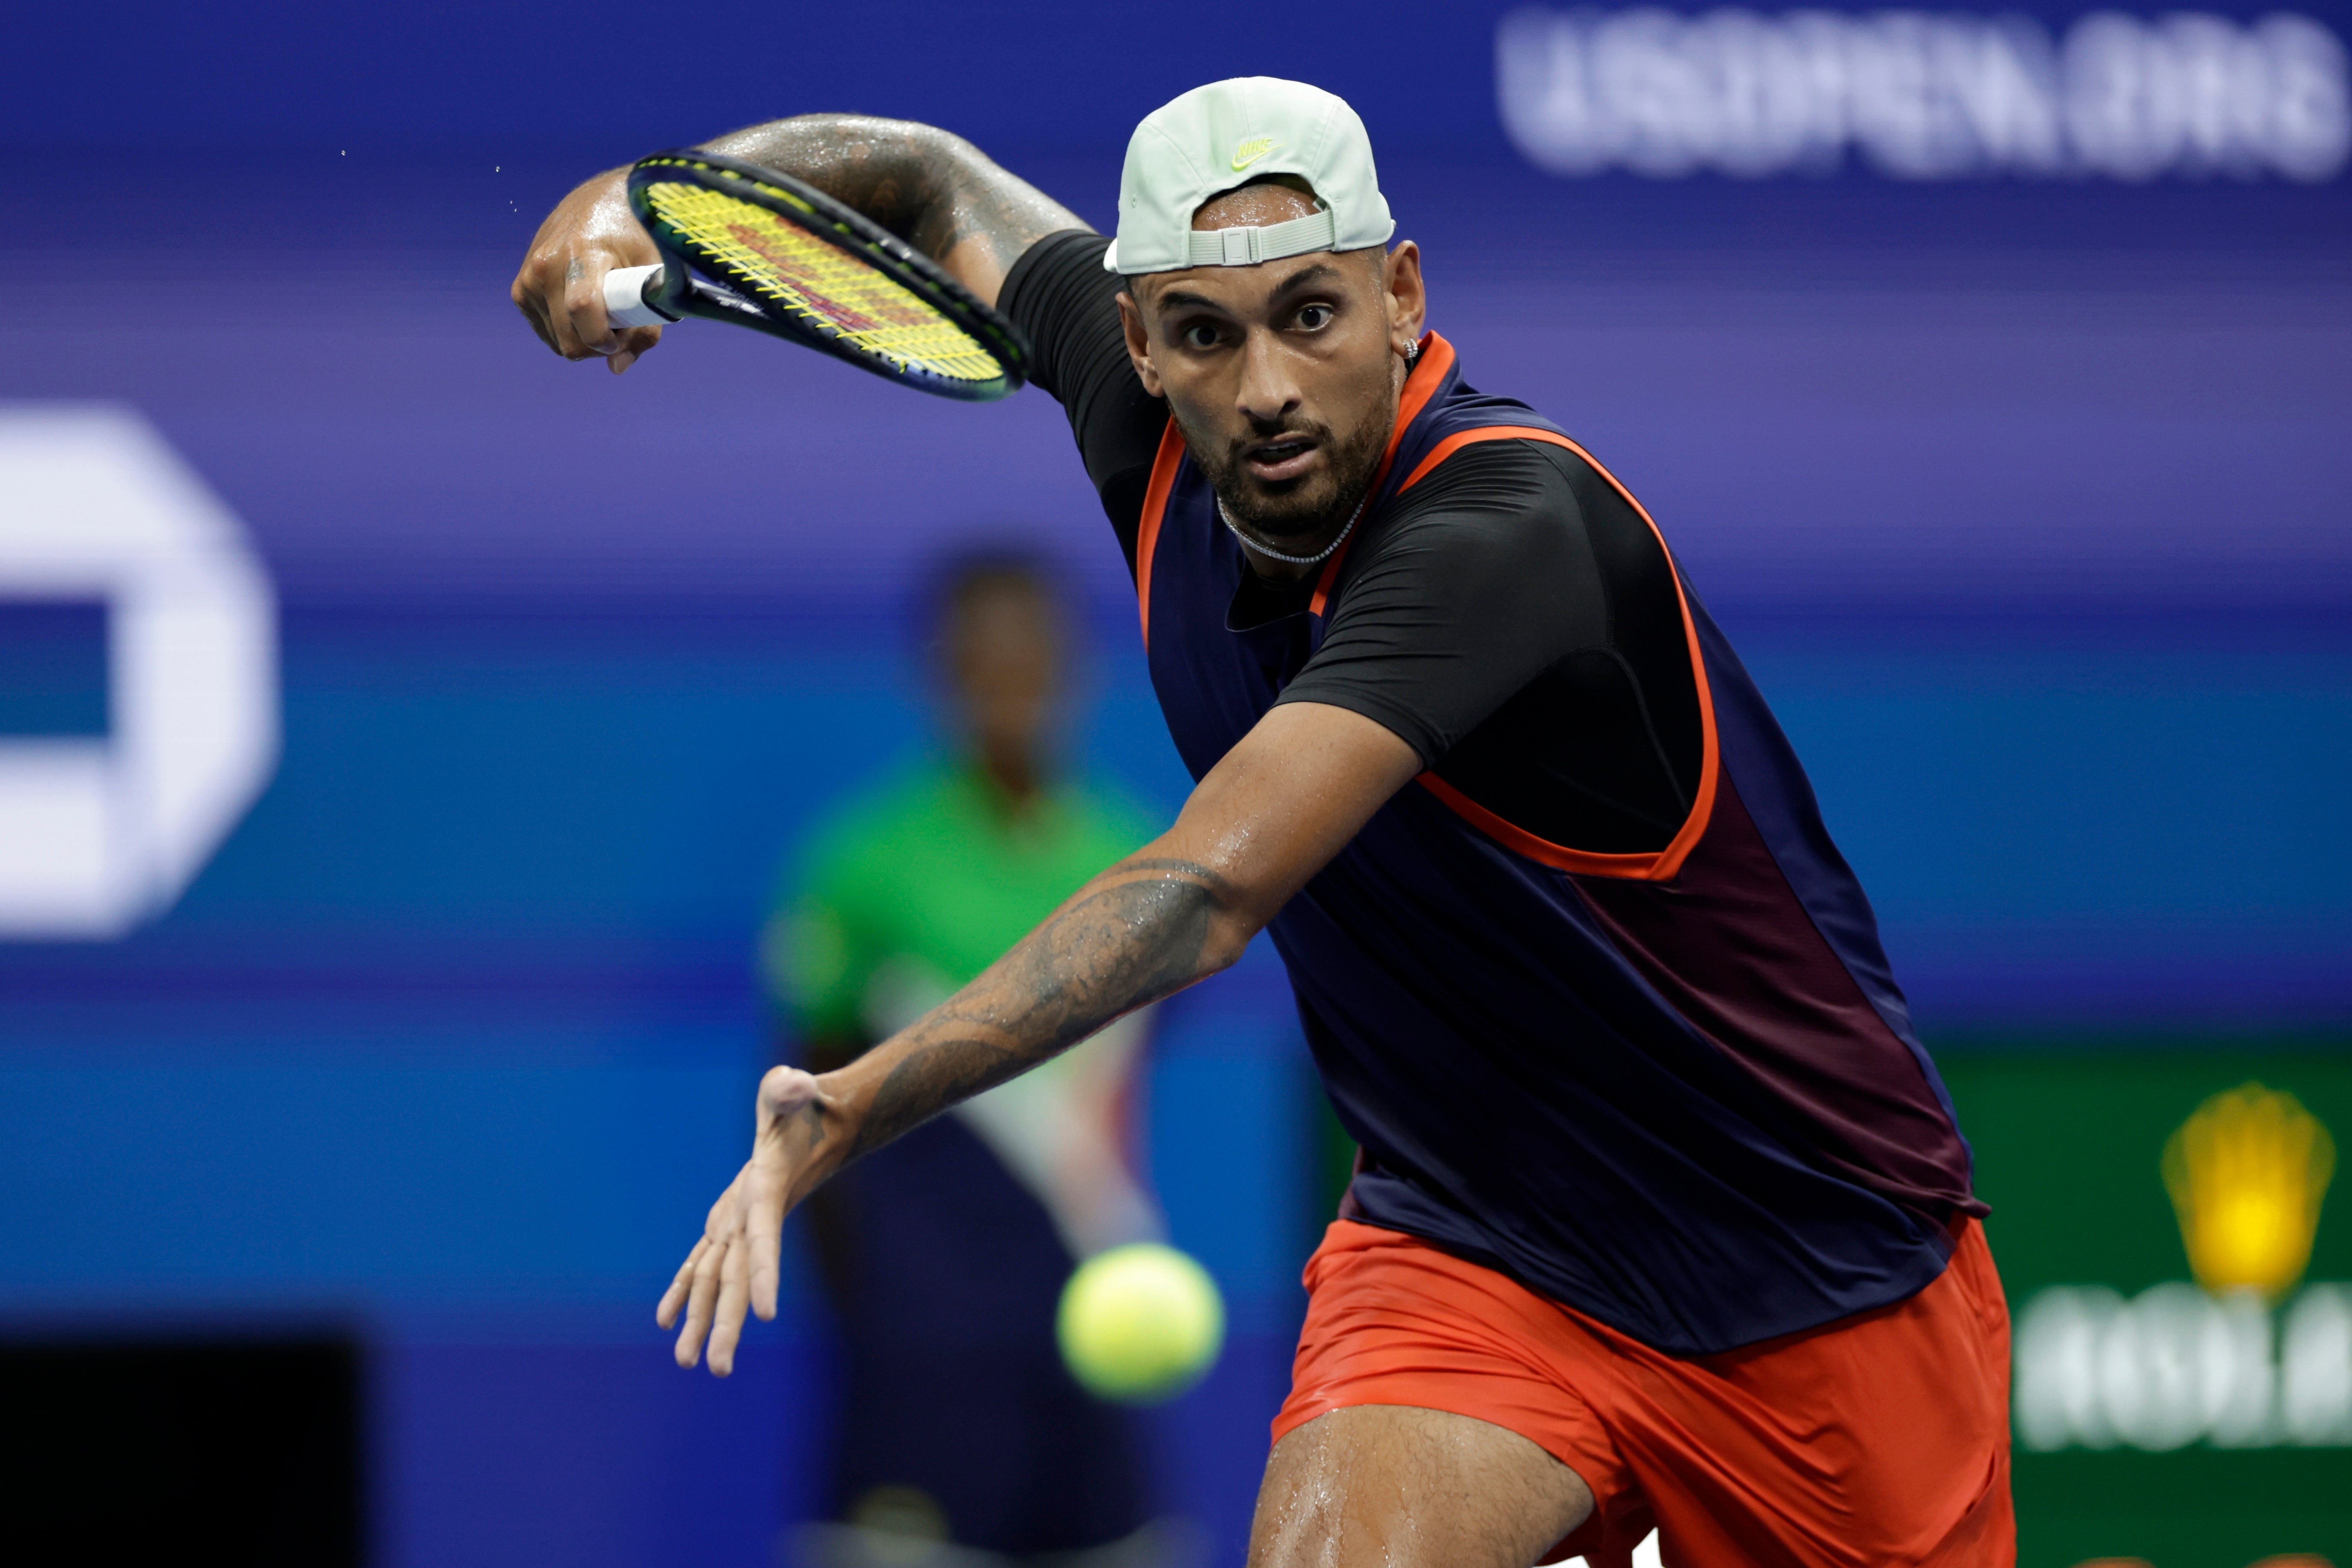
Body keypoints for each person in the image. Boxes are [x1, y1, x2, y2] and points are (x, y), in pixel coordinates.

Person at [514, 77, 2012, 1568]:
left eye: (1312, 314)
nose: (1267, 387)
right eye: (1206, 336)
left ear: (1401, 294)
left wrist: (853, 1100)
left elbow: (1202, 892)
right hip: (1479, 1244)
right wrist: (628, 199)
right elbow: (921, 176)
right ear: (1138, 346)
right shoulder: (1155, 432)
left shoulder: (1511, 524)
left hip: (1818, 1275)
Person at [767, 556, 1170, 1565]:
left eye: (1029, 650)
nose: (1008, 676)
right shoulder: (864, 864)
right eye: (980, 656)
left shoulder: (1140, 858)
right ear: (942, 671)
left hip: (1093, 1314)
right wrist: (878, 1315)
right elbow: (805, 1111)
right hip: (919, 1342)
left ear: (1072, 665)